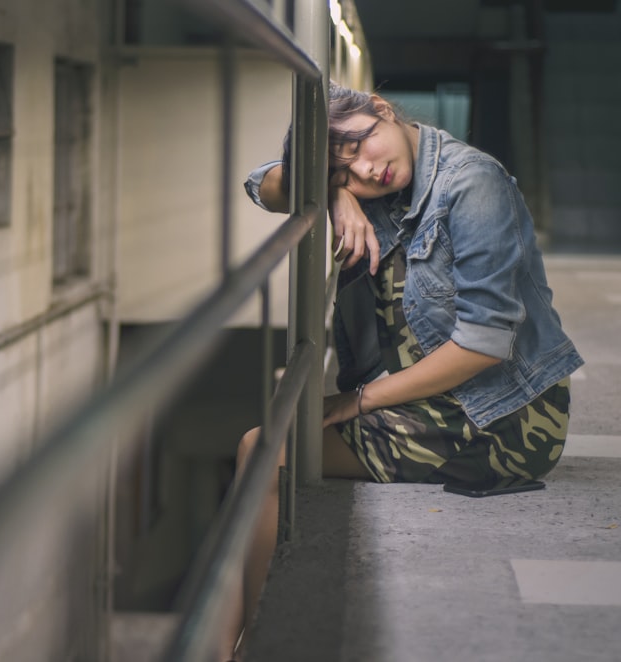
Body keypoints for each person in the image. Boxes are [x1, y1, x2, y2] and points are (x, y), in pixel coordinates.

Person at [221, 82, 584, 661]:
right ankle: (227, 646)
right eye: (348, 173)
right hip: (431, 399)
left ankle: (242, 645)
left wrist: (361, 400)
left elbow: (484, 345)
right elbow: (259, 183)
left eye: (364, 147)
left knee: (265, 451)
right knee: (259, 450)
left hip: (498, 414)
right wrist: (333, 192)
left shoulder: (472, 184)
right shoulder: (369, 180)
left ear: (382, 110)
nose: (369, 170)